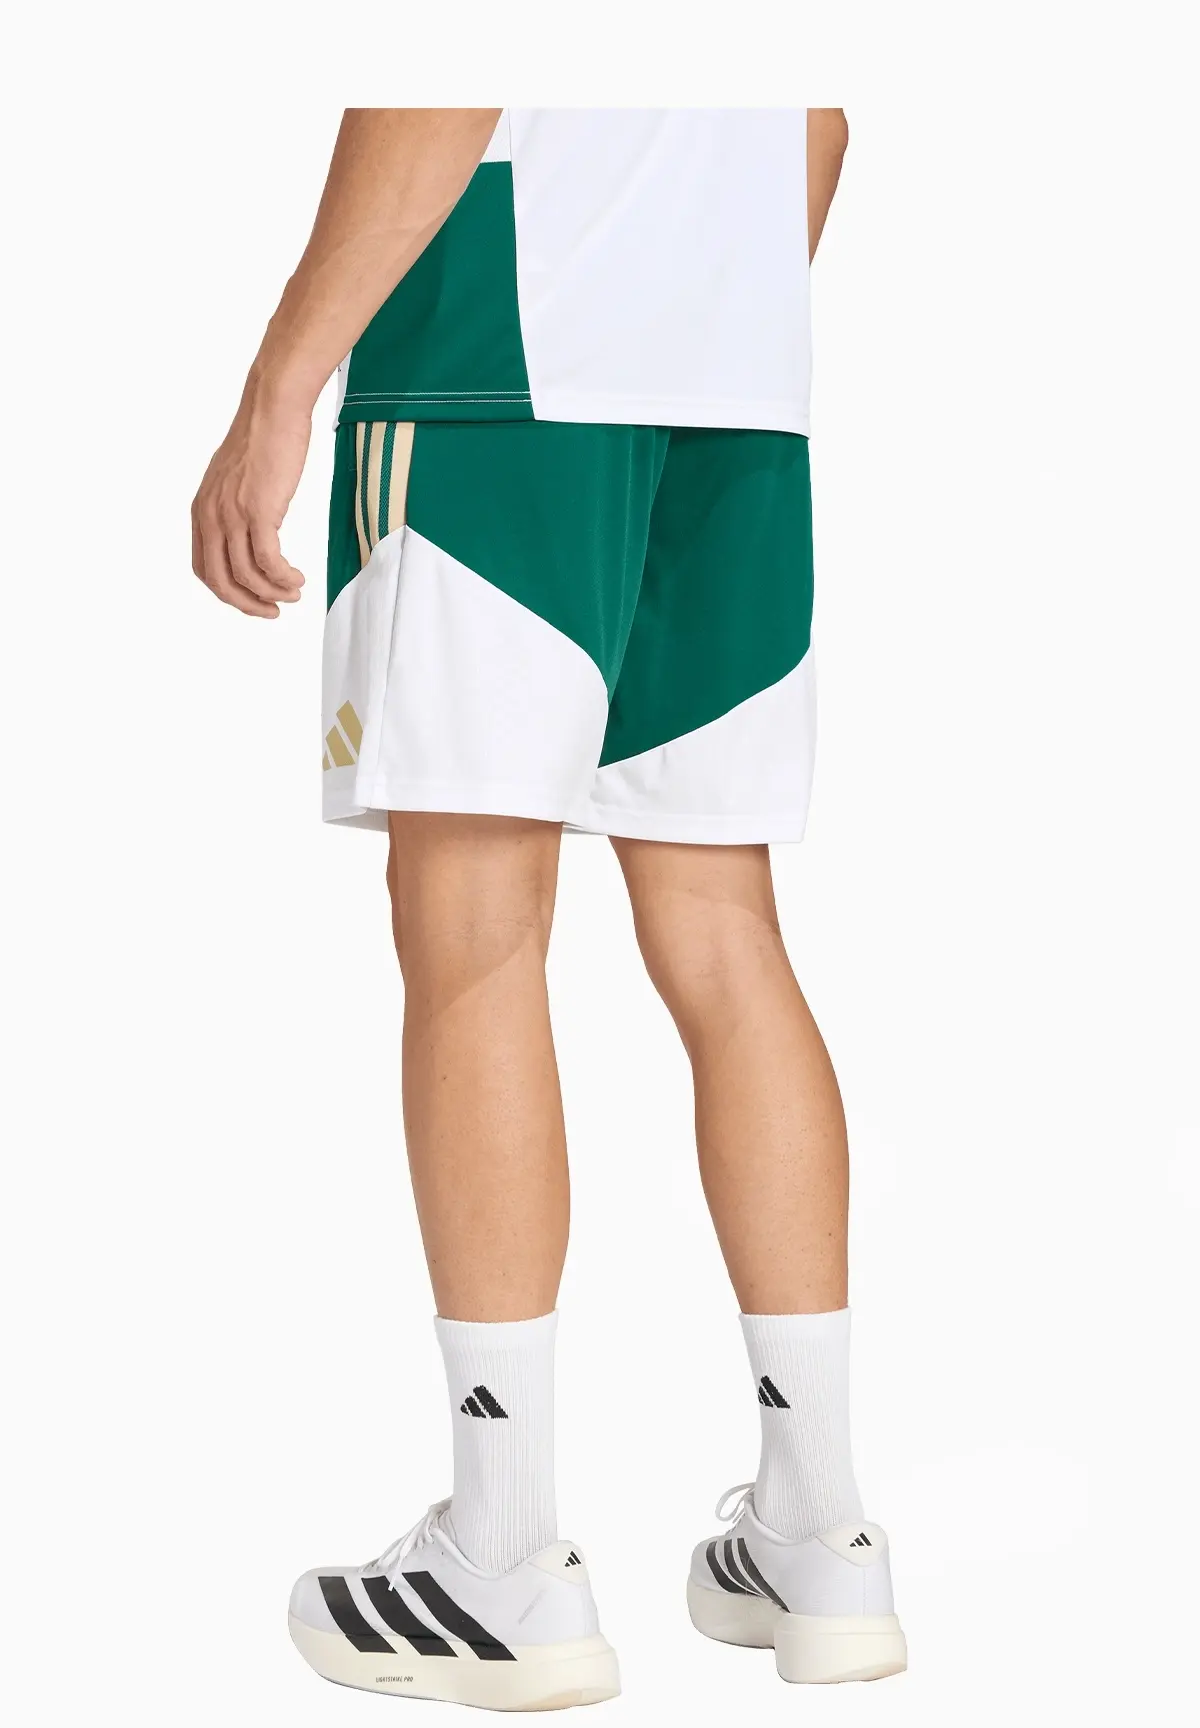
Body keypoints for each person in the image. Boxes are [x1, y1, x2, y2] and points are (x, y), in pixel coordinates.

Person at [192, 107, 905, 1710]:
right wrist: (689, 303)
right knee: (726, 931)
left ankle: (503, 1556)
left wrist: (280, 385)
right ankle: (824, 1531)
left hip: (498, 370)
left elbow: (440, 84)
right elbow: (821, 116)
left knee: (474, 926)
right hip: (729, 386)